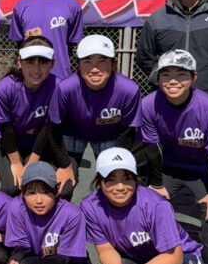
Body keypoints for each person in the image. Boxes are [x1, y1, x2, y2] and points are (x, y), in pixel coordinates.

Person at [140, 49, 208, 264]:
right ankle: (154, 263)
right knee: (148, 207)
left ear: (193, 78)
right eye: (166, 74)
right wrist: (157, 184)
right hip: (171, 166)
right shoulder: (149, 104)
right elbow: (152, 149)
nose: (173, 80)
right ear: (158, 78)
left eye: (181, 74)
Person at [49, 35, 141, 181]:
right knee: (64, 185)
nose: (95, 69)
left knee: (113, 181)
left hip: (109, 136)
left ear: (113, 63)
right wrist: (65, 165)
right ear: (78, 65)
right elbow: (53, 128)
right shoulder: (65, 88)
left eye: (102, 61)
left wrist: (115, 165)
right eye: (87, 62)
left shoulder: (129, 90)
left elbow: (128, 132)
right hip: (73, 134)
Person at [0, 36, 72, 196]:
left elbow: (49, 127)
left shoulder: (58, 87)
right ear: (19, 62)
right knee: (12, 188)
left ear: (52, 64)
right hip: (11, 141)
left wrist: (31, 163)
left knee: (57, 187)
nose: (36, 69)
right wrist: (16, 163)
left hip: (41, 141)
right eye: (29, 61)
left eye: (43, 62)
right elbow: (6, 128)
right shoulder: (5, 87)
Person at [8, 0, 84, 78]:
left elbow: (71, 44)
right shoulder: (22, 6)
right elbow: (19, 44)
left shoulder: (72, 5)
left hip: (60, 77)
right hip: (31, 78)